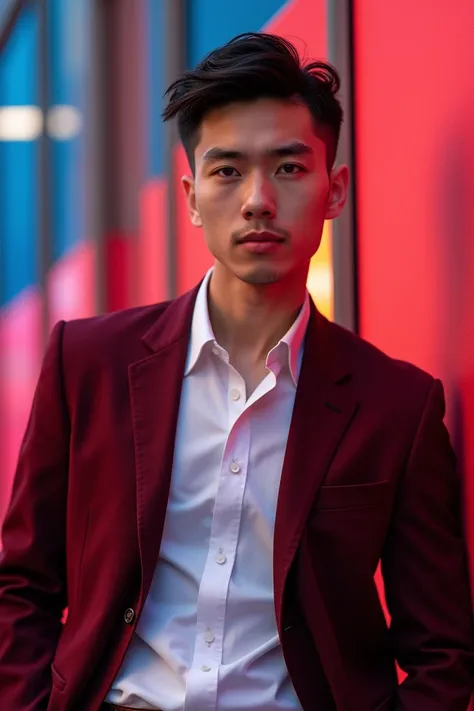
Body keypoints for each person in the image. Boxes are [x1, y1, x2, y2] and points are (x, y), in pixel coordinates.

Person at [0, 31, 472, 711]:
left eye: (288, 168)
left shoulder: (398, 405)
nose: (257, 200)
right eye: (226, 171)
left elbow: (441, 648)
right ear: (190, 197)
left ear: (335, 189)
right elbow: (24, 584)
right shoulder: (88, 362)